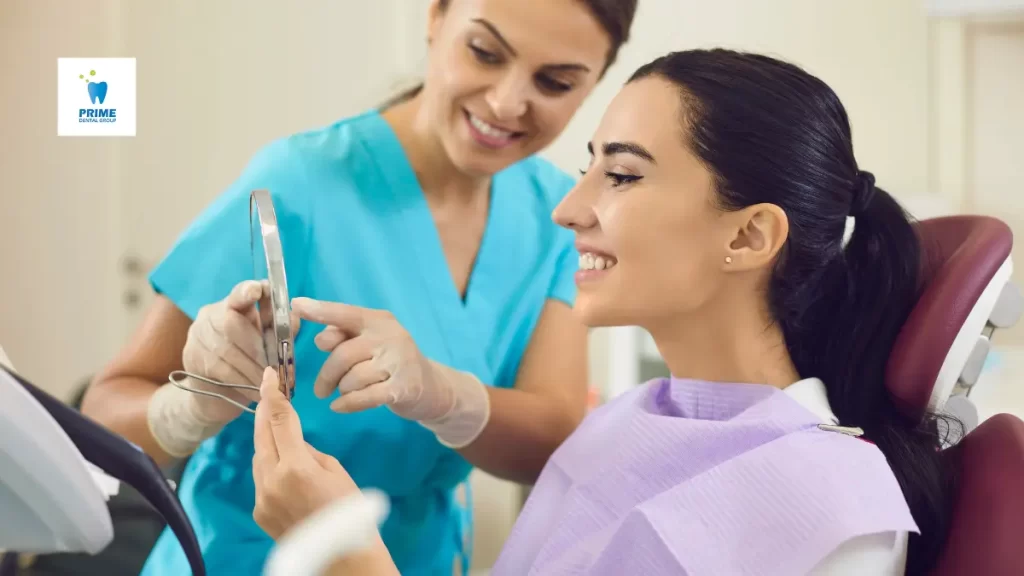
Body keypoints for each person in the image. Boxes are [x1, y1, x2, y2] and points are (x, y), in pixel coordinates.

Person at [248, 48, 959, 576]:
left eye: (621, 175)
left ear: (748, 235)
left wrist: (343, 554)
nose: (568, 208)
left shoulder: (832, 507)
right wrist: (441, 398)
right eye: (589, 166)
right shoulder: (625, 425)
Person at [79, 1, 639, 574]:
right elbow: (102, 416)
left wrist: (442, 395)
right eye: (485, 53)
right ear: (436, 18)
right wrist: (193, 405)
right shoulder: (299, 182)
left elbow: (552, 439)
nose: (505, 102)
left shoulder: (557, 215)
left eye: (555, 81)